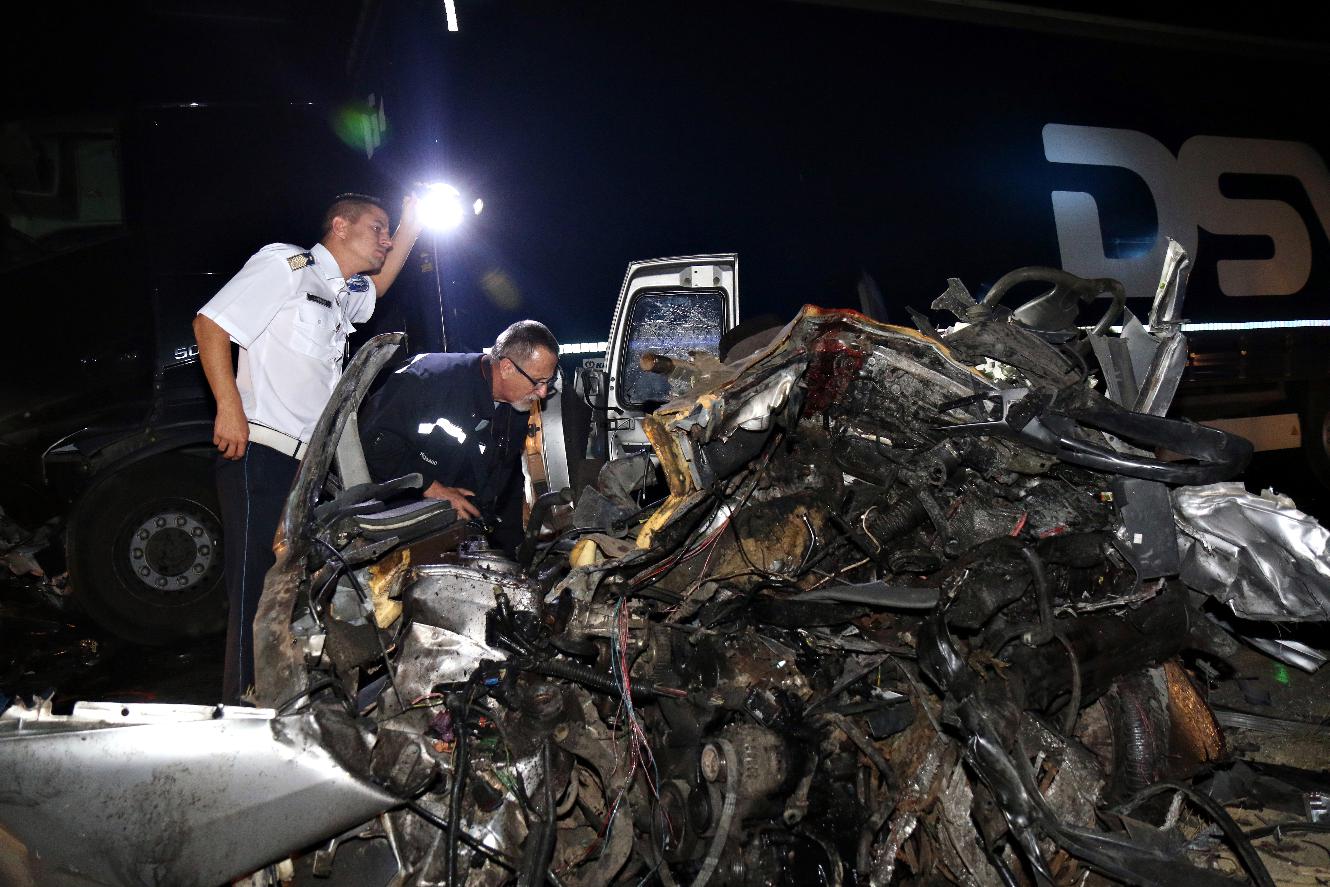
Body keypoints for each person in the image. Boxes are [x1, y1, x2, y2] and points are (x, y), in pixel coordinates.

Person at [193, 192, 422, 703]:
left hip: (306, 469)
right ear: (339, 225)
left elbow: (380, 284)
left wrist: (412, 222)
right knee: (256, 592)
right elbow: (210, 324)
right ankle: (240, 714)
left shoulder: (341, 293)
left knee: (290, 593)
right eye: (378, 228)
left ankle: (279, 703)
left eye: (389, 233)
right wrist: (228, 407)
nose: (385, 241)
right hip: (260, 453)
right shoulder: (287, 266)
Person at [358, 320, 561, 553]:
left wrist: (513, 553)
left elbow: (507, 485)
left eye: (548, 382)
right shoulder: (427, 380)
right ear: (506, 367)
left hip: (462, 534)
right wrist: (431, 488)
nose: (542, 393)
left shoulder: (516, 406)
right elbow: (373, 445)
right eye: (538, 382)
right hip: (397, 526)